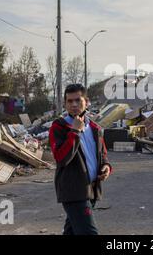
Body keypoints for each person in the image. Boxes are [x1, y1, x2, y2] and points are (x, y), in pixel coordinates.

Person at [49, 84, 112, 235]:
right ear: (65, 104)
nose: (74, 105)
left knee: (71, 231)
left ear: (87, 101)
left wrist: (106, 167)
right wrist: (75, 131)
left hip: (91, 188)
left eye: (78, 100)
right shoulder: (59, 127)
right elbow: (61, 158)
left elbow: (102, 155)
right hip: (73, 191)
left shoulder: (95, 128)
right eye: (69, 101)